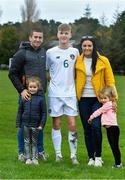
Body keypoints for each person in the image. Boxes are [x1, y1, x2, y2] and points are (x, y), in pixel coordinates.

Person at [75, 35, 117, 167]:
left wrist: (114, 99)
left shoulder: (103, 60)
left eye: (89, 45)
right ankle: (90, 158)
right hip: (83, 100)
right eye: (84, 46)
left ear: (93, 47)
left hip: (99, 100)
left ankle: (98, 157)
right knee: (87, 129)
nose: (87, 48)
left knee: (96, 127)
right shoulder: (77, 61)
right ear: (81, 47)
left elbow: (110, 81)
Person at [8, 28, 48, 161]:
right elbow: (12, 73)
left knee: (39, 125)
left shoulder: (43, 52)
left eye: (40, 37)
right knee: (23, 125)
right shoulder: (21, 53)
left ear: (42, 39)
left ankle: (40, 151)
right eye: (35, 37)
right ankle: (22, 152)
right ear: (30, 38)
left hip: (40, 94)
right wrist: (21, 90)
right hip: (27, 95)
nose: (37, 39)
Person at [46, 23, 79, 165]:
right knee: (57, 123)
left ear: (70, 35)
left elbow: (78, 72)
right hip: (55, 94)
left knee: (72, 124)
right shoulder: (50, 52)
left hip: (70, 93)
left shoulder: (76, 52)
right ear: (57, 34)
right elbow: (46, 69)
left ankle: (73, 156)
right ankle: (58, 155)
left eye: (66, 33)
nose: (64, 35)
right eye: (61, 33)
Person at [87, 87, 122, 168]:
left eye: (105, 98)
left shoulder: (108, 105)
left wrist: (91, 117)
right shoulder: (109, 104)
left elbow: (99, 111)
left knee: (114, 147)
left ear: (110, 98)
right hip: (110, 129)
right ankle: (118, 163)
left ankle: (118, 164)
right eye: (101, 98)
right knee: (113, 146)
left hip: (113, 129)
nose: (103, 100)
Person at [16, 77, 47, 165]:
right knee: (26, 141)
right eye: (30, 87)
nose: (32, 89)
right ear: (27, 87)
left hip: (36, 125)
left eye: (34, 87)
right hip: (25, 124)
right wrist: (19, 123)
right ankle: (28, 158)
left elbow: (44, 113)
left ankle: (35, 158)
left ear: (38, 88)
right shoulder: (24, 98)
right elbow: (20, 111)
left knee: (34, 142)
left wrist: (41, 124)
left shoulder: (41, 99)